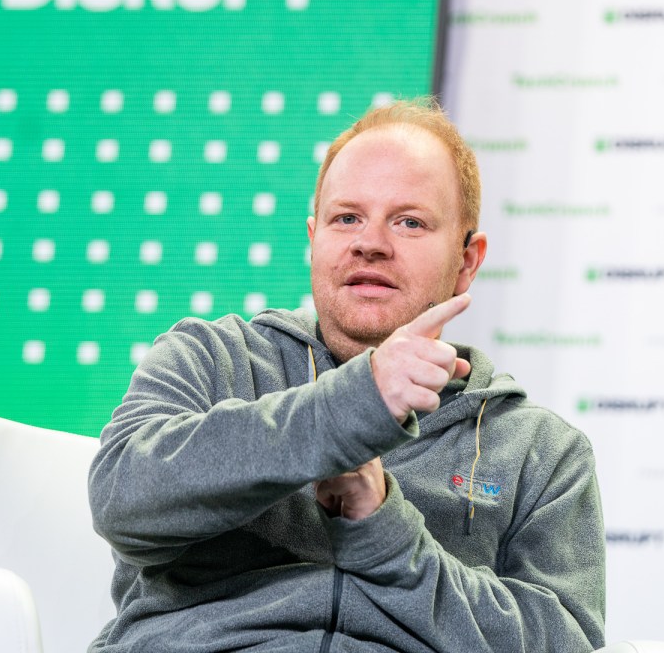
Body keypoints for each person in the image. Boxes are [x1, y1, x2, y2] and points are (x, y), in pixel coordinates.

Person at [87, 98, 606, 652]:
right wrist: (345, 411)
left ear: (467, 261)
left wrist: (384, 534)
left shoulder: (541, 450)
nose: (370, 242)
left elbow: (565, 642)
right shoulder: (212, 358)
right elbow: (122, 498)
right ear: (314, 238)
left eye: (409, 222)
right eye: (346, 218)